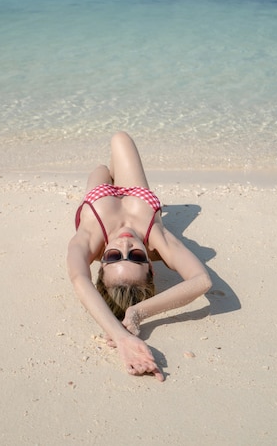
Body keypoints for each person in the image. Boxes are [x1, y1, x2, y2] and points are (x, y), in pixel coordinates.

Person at [67, 132, 212, 381]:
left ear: (100, 262)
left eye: (113, 256)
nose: (125, 243)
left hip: (98, 195)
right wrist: (137, 313)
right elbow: (202, 281)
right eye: (135, 256)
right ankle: (117, 174)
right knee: (120, 139)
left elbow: (80, 279)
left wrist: (120, 335)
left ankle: (111, 175)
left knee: (101, 168)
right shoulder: (156, 237)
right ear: (152, 266)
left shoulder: (89, 237)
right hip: (136, 193)